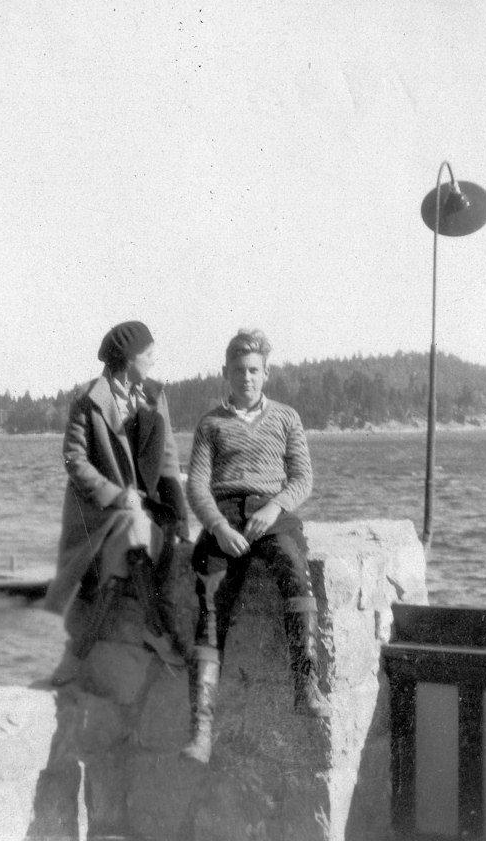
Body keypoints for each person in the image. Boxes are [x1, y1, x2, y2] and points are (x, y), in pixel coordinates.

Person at [182, 329, 331, 764]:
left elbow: (303, 478)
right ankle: (202, 730)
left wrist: (275, 508)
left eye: (254, 370)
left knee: (294, 571)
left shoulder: (287, 417)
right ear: (225, 373)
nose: (246, 378)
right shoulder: (210, 424)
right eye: (238, 370)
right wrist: (217, 527)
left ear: (266, 373)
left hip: (272, 514)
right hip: (225, 516)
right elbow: (196, 485)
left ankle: (305, 686)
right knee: (210, 606)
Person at [44, 320, 188, 684]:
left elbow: (169, 458)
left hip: (146, 507)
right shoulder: (89, 401)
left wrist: (181, 518)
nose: (155, 360)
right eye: (149, 353)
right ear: (128, 358)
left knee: (134, 542)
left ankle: (78, 655)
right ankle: (156, 629)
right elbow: (74, 460)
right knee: (131, 533)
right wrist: (116, 495)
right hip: (99, 514)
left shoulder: (156, 394)